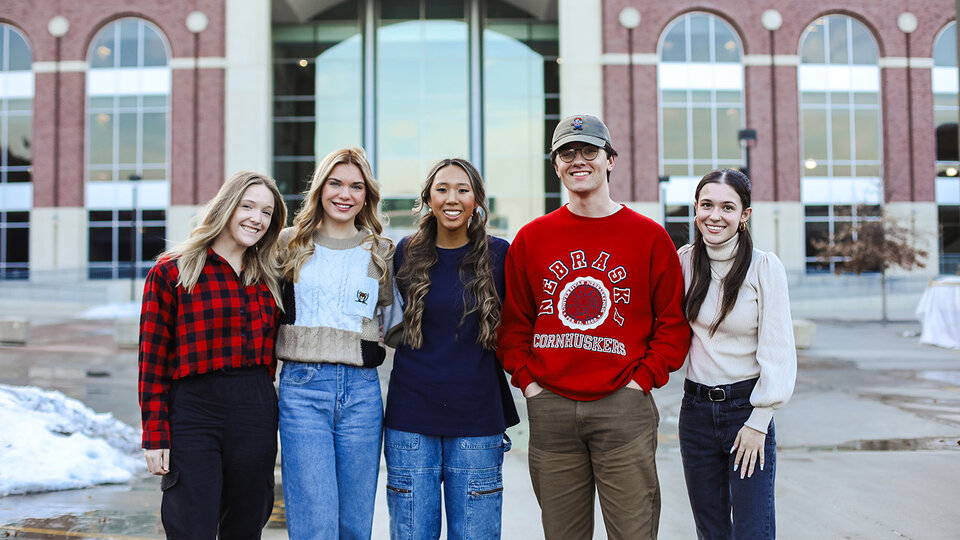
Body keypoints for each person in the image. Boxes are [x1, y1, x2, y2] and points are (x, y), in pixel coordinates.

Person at [498, 114, 690, 539]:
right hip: (550, 408)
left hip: (623, 406)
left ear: (610, 161)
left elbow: (673, 325)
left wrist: (641, 382)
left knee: (633, 532)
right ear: (556, 165)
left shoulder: (649, 237)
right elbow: (513, 326)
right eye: (567, 153)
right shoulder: (532, 238)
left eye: (589, 151)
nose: (578, 160)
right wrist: (529, 383)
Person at [138, 171, 287, 538]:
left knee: (246, 523)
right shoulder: (172, 271)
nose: (256, 218)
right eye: (247, 206)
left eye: (266, 213)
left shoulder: (270, 276)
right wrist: (154, 434)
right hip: (193, 410)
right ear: (225, 207)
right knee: (191, 525)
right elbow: (152, 361)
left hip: (254, 408)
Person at [382, 158, 519, 540]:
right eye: (442, 189)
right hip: (411, 419)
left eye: (462, 189)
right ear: (428, 198)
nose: (452, 198)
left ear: (476, 199)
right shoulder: (405, 253)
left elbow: (522, 326)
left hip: (477, 421)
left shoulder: (499, 255)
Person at [275, 147, 394, 540]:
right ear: (321, 188)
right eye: (336, 183)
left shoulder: (380, 251)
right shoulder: (288, 244)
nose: (345, 194)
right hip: (302, 389)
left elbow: (394, 322)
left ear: (367, 195)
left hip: (362, 392)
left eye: (356, 186)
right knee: (315, 523)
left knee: (354, 525)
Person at [676, 168, 797, 540]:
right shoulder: (683, 261)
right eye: (707, 205)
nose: (715, 216)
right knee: (710, 531)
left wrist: (759, 421)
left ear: (744, 215)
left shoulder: (764, 267)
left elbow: (778, 349)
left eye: (728, 207)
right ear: (695, 208)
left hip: (746, 411)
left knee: (752, 530)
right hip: (695, 412)